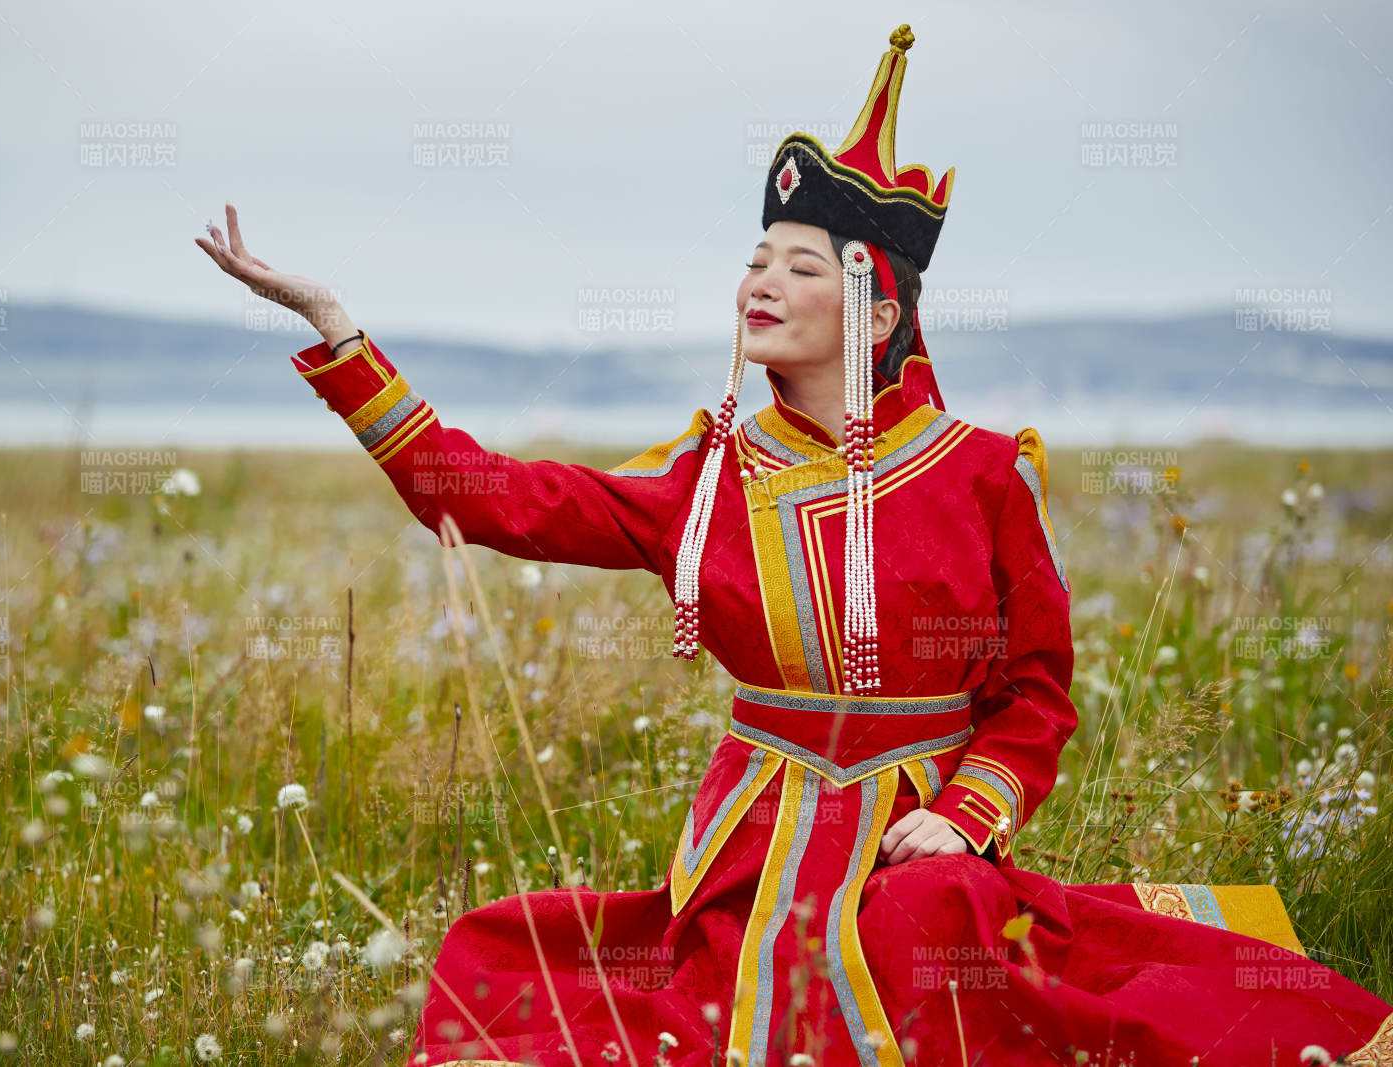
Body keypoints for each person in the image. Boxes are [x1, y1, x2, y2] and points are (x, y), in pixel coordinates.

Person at [194, 24, 1393, 1066]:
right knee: (520, 962)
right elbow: (492, 498)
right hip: (756, 845)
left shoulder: (980, 471)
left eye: (797, 264)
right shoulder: (706, 477)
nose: (759, 279)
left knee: (931, 935)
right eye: (755, 258)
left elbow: (1034, 692)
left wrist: (970, 809)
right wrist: (336, 331)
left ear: (875, 309)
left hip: (919, 831)